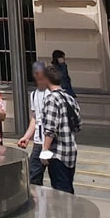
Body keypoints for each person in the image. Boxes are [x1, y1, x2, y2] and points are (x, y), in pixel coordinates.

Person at [38, 61, 82, 193]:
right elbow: (78, 125)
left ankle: (66, 214)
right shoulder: (69, 98)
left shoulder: (51, 99)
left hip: (58, 153)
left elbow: (50, 128)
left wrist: (45, 151)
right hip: (71, 150)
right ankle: (72, 212)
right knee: (68, 188)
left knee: (60, 192)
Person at [17, 61, 52, 183]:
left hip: (53, 142)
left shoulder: (54, 94)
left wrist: (46, 147)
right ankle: (38, 201)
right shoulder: (34, 95)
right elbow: (35, 118)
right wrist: (27, 137)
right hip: (38, 142)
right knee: (33, 177)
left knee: (58, 180)